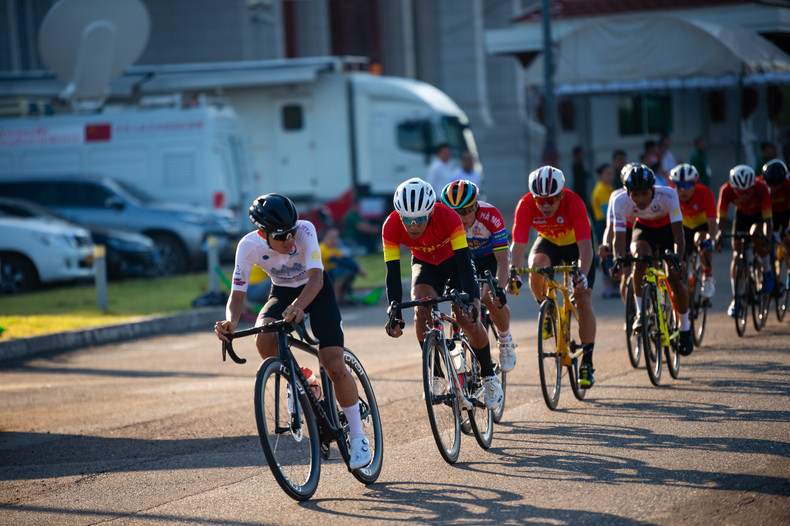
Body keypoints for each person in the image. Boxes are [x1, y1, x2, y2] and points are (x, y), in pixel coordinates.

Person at [214, 194, 371, 469]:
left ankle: (358, 437)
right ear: (262, 234)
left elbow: (317, 278)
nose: (289, 239)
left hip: (316, 290)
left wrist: (299, 306)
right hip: (282, 291)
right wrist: (230, 322)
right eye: (281, 235)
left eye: (291, 232)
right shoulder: (248, 246)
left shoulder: (305, 230)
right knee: (264, 336)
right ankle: (301, 380)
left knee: (332, 361)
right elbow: (237, 296)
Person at [382, 177, 504, 409]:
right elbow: (393, 273)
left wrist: (472, 300)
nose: (413, 226)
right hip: (425, 264)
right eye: (407, 219)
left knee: (466, 318)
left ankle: (489, 376)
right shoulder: (390, 226)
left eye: (419, 219)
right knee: (421, 310)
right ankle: (436, 375)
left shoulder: (448, 217)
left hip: (455, 262)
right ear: (399, 215)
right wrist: (395, 312)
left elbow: (465, 265)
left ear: (430, 213)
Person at [509, 166, 598, 387]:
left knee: (582, 298)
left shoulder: (574, 203)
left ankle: (587, 361)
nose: (545, 205)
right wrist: (514, 273)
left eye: (551, 200)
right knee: (536, 266)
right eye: (540, 200)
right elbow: (518, 246)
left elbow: (586, 248)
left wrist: (582, 276)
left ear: (560, 196)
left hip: (576, 247)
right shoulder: (525, 205)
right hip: (550, 242)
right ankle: (546, 308)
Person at [611, 163, 694, 356]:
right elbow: (619, 238)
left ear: (653, 190)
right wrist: (618, 260)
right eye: (635, 194)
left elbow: (678, 233)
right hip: (644, 230)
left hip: (668, 231)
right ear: (627, 193)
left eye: (644, 193)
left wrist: (679, 259)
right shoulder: (620, 201)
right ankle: (641, 314)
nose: (639, 199)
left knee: (674, 280)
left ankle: (685, 328)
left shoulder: (668, 195)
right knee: (639, 257)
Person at [440, 179, 517, 372]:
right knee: (457, 300)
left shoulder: (491, 216)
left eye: (465, 211)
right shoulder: (445, 222)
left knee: (488, 297)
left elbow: (502, 259)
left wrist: (500, 288)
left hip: (490, 259)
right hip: (465, 261)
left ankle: (505, 340)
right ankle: (458, 346)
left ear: (475, 206)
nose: (460, 218)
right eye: (455, 213)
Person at [716, 165, 774, 317]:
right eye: (740, 192)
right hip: (741, 216)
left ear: (753, 186)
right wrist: (719, 236)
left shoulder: (762, 189)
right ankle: (736, 299)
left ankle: (767, 270)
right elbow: (721, 219)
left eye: (748, 191)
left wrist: (767, 239)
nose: (744, 195)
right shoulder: (726, 190)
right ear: (733, 188)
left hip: (759, 216)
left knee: (756, 235)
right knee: (737, 254)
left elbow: (768, 220)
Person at [669, 163, 718, 298]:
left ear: (695, 184)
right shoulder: (669, 193)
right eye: (679, 185)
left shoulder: (705, 194)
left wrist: (710, 240)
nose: (683, 190)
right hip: (681, 228)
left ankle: (708, 277)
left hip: (701, 227)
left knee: (702, 242)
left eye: (687, 185)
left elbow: (713, 225)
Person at [320, 226, 366, 305]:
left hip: (330, 274)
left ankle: (343, 295)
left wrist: (357, 268)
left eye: (336, 237)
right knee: (344, 270)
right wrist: (357, 269)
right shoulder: (322, 248)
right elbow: (338, 261)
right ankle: (336, 296)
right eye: (331, 237)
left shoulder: (334, 249)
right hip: (324, 275)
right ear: (324, 237)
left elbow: (345, 259)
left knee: (349, 270)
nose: (334, 239)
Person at [591, 163, 617, 298]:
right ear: (600, 175)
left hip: (607, 223)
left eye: (612, 173)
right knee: (606, 253)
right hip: (603, 224)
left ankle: (611, 285)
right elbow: (608, 211)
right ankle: (607, 287)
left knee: (610, 253)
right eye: (608, 173)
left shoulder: (608, 188)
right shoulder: (601, 190)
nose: (611, 176)